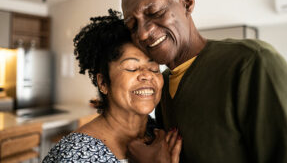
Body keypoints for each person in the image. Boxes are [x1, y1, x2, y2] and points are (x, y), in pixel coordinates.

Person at [121, 0, 287, 163]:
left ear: (187, 3)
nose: (143, 33)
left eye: (155, 12)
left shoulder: (251, 62)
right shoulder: (162, 86)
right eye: (132, 26)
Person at [43, 9, 182, 162]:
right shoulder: (73, 155)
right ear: (103, 83)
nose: (147, 75)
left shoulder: (162, 136)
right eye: (132, 68)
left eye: (154, 68)